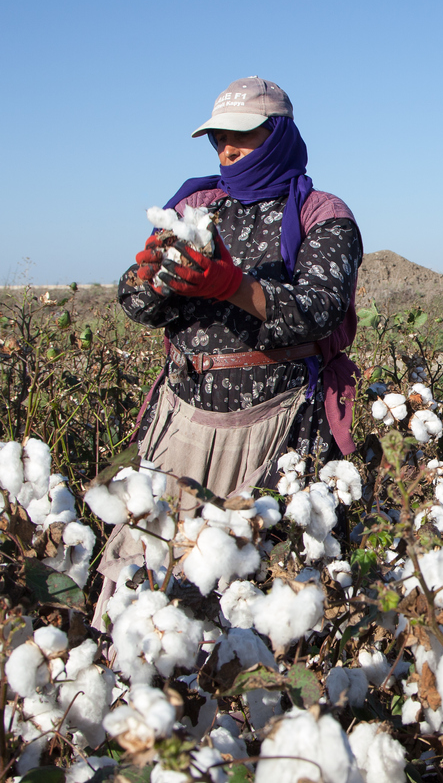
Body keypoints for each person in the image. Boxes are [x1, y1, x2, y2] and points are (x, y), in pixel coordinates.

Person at [103, 77, 362, 622]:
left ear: (279, 134)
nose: (227, 149)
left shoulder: (321, 212)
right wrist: (153, 282)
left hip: (275, 428)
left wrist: (233, 287)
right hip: (184, 423)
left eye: (242, 135)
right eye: (218, 138)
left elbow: (321, 308)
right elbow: (134, 300)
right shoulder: (196, 206)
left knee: (254, 593)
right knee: (153, 585)